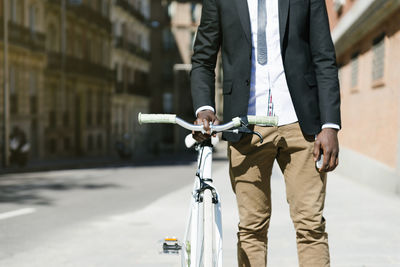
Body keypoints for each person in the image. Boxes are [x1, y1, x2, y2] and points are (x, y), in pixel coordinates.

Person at [191, 0, 340, 266]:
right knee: (251, 228)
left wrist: (329, 124)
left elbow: (324, 57)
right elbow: (203, 59)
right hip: (244, 126)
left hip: (301, 125)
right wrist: (205, 108)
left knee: (311, 226)